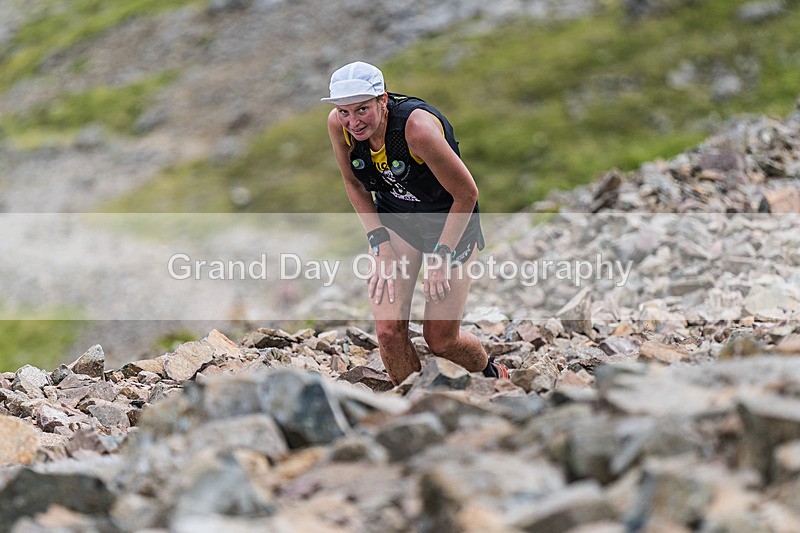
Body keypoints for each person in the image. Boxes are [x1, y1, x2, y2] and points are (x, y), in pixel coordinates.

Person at [323, 60, 508, 385]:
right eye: (344, 111)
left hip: (448, 221)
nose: (353, 122)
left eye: (362, 109)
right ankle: (413, 404)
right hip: (398, 220)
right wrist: (379, 242)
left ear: (382, 100)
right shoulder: (338, 125)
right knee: (388, 332)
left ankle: (492, 374)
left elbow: (466, 194)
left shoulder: (417, 129)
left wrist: (442, 254)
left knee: (441, 340)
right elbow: (354, 184)